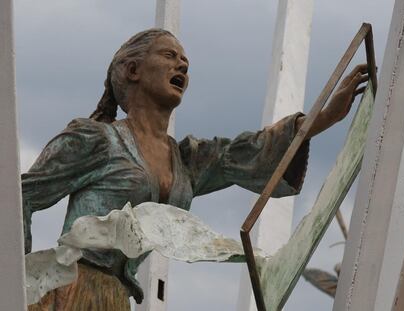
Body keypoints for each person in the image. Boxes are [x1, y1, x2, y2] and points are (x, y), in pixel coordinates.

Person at [23, 28, 369, 310]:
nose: (182, 66)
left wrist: (322, 119)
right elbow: (19, 197)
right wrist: (13, 281)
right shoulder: (97, 139)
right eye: (169, 56)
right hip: (68, 291)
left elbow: (248, 151)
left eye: (186, 61)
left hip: (116, 298)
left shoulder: (188, 160)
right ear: (133, 71)